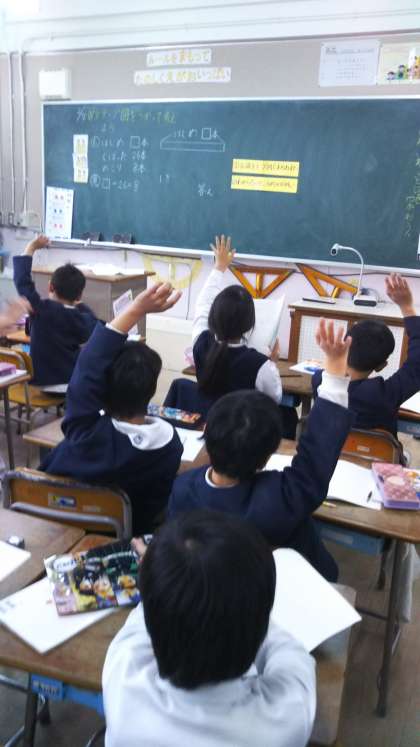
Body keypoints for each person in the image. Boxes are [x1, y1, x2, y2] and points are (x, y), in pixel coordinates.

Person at [103, 511, 316, 747]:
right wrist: (248, 603)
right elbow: (290, 653)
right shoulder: (285, 721)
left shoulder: (122, 680)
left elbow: (148, 612)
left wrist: (159, 572)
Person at [168, 318, 353, 580]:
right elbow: (317, 454)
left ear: (207, 435)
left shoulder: (182, 488)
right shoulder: (282, 499)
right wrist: (334, 373)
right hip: (283, 590)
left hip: (213, 586)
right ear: (266, 457)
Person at [41, 282, 183, 532]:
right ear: (151, 390)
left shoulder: (84, 436)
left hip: (54, 531)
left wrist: (135, 310)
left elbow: (86, 373)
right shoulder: (170, 447)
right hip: (123, 542)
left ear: (101, 392)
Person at [312, 273, 420, 438]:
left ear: (345, 347)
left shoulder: (319, 380)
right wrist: (407, 307)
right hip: (379, 454)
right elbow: (416, 365)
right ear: (381, 366)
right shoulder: (382, 394)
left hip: (330, 453)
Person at [13, 234, 97, 391]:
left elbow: (22, 281)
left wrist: (31, 247)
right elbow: (94, 324)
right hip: (70, 383)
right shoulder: (80, 318)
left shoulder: (40, 309)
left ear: (50, 287)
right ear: (79, 296)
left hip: (39, 382)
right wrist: (81, 306)